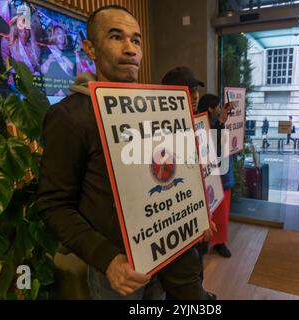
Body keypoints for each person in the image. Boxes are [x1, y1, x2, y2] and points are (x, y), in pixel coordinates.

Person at [37, 5, 214, 300]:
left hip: (166, 254)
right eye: (116, 37)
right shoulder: (69, 117)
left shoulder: (160, 108)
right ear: (90, 48)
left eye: (136, 40)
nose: (130, 48)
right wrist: (108, 259)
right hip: (120, 274)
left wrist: (196, 214)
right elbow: (53, 205)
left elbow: (173, 172)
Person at [161, 67, 219, 300]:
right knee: (184, 286)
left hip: (199, 219)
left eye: (195, 90)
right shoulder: (159, 132)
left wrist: (205, 214)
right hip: (174, 227)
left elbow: (206, 173)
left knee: (197, 266)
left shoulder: (198, 125)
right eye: (188, 89)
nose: (194, 95)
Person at [197, 94, 234, 258]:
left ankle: (219, 242)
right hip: (210, 176)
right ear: (211, 108)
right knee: (211, 212)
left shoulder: (217, 123)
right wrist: (220, 123)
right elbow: (212, 147)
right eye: (218, 106)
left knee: (221, 212)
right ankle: (207, 242)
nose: (220, 109)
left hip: (222, 174)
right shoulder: (201, 125)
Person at [1, 15, 41, 86]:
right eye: (21, 26)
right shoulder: (8, 42)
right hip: (17, 80)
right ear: (16, 29)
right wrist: (12, 74)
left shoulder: (33, 46)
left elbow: (38, 66)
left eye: (26, 27)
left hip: (34, 80)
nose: (24, 30)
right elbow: (6, 62)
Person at [41, 25, 76, 96]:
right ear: (53, 36)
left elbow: (72, 69)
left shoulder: (67, 53)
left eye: (63, 33)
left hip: (69, 94)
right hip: (55, 96)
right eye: (58, 33)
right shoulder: (48, 51)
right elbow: (43, 70)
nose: (62, 35)